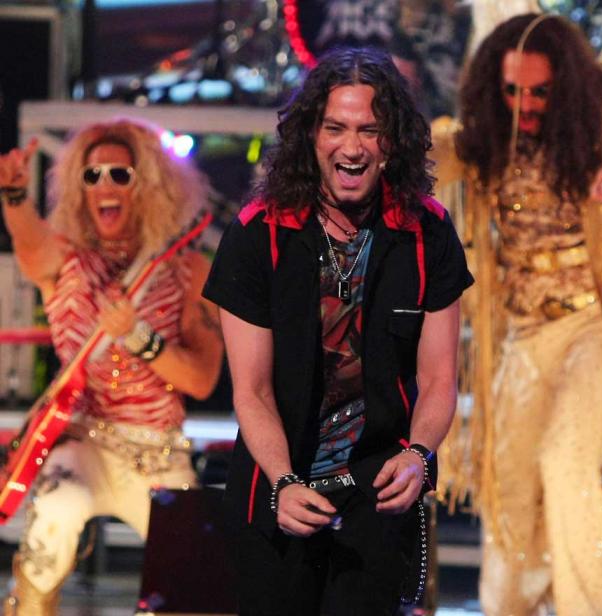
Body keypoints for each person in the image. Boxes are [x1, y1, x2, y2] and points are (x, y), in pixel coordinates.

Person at [432, 12, 602, 615]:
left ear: (566, 85)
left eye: (539, 91)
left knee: (566, 459)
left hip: (594, 325)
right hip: (523, 333)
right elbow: (435, 158)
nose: (524, 103)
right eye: (511, 89)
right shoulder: (491, 132)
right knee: (510, 484)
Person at [203, 46, 473, 616]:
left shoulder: (428, 233)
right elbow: (250, 391)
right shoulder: (260, 233)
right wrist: (283, 482)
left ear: (392, 141)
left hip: (378, 495)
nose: (352, 147)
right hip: (277, 492)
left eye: (369, 130)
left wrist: (421, 454)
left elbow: (439, 376)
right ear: (310, 136)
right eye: (336, 128)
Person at [0, 118, 224, 615]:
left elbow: (203, 380)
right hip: (86, 443)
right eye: (92, 175)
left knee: (198, 585)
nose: (104, 185)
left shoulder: (190, 272)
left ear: (147, 184)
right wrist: (15, 196)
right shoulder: (66, 262)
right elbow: (30, 240)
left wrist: (137, 338)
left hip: (159, 453)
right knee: (54, 514)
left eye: (119, 175)